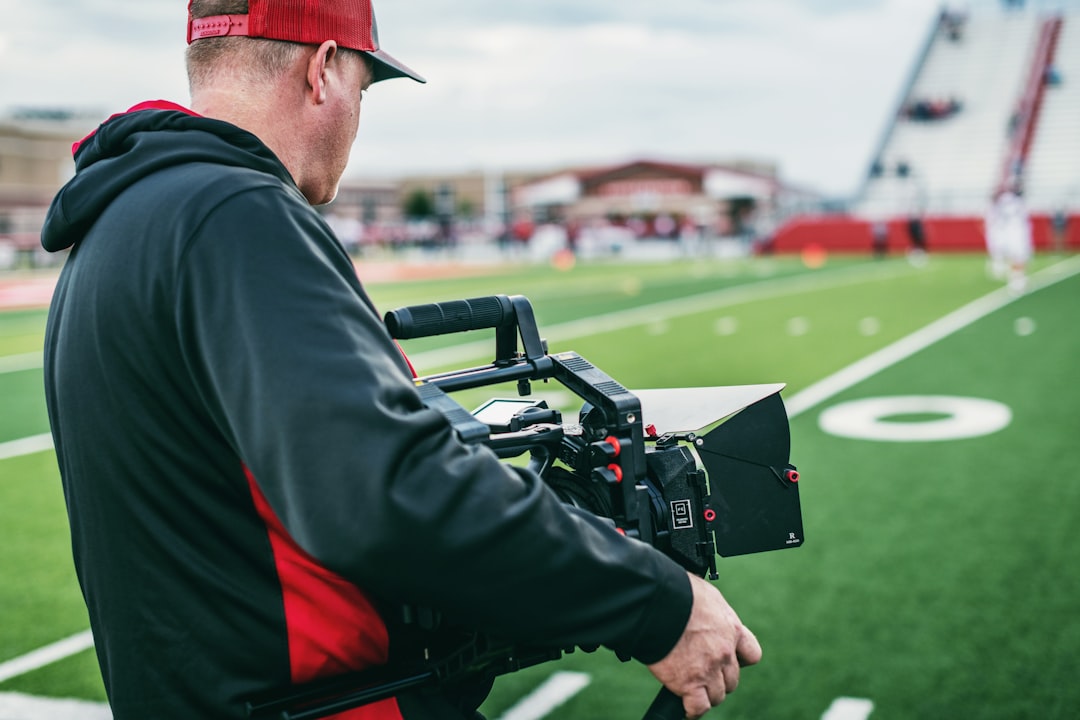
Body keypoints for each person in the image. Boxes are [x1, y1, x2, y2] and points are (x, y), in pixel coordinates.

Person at [40, 2, 761, 719]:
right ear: (323, 70)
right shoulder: (237, 212)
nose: (357, 114)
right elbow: (383, 490)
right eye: (362, 85)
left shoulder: (114, 223)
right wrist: (655, 601)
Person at [984, 185, 1033, 293]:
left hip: (1007, 231)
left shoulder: (1000, 203)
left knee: (1014, 256)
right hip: (1016, 231)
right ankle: (1016, 280)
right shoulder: (1017, 203)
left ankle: (1015, 278)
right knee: (1018, 256)